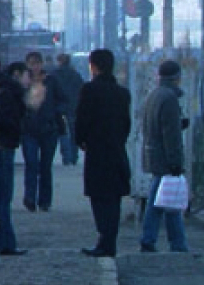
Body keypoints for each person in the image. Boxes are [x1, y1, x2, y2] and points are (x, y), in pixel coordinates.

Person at [75, 49, 132, 258]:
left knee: (98, 197)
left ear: (94, 66)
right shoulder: (122, 93)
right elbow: (126, 124)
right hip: (116, 151)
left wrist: (80, 140)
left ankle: (104, 240)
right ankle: (110, 241)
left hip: (97, 151)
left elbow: (82, 119)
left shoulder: (89, 90)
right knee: (113, 198)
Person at [139, 59, 188, 253]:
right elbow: (171, 135)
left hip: (153, 153)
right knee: (163, 201)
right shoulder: (169, 99)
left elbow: (154, 126)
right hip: (164, 158)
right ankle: (156, 240)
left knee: (165, 200)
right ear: (177, 78)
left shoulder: (154, 95)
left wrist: (178, 124)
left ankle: (174, 242)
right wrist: (175, 162)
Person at [0, 62, 27, 256]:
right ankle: (5, 242)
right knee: (3, 198)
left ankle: (3, 241)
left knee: (0, 197)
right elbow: (5, 122)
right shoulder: (8, 96)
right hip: (4, 147)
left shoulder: (0, 95)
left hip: (0, 146)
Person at [20, 51, 67, 212]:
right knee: (31, 164)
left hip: (48, 129)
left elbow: (62, 99)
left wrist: (55, 112)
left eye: (37, 63)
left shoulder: (51, 81)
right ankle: (30, 198)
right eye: (31, 63)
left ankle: (45, 200)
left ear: (41, 64)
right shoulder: (23, 82)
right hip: (29, 129)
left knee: (45, 166)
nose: (34, 66)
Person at [52, 52, 84, 166]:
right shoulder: (76, 75)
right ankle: (73, 156)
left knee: (62, 132)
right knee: (73, 132)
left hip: (58, 107)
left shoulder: (54, 75)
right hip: (73, 107)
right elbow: (81, 90)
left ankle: (66, 156)